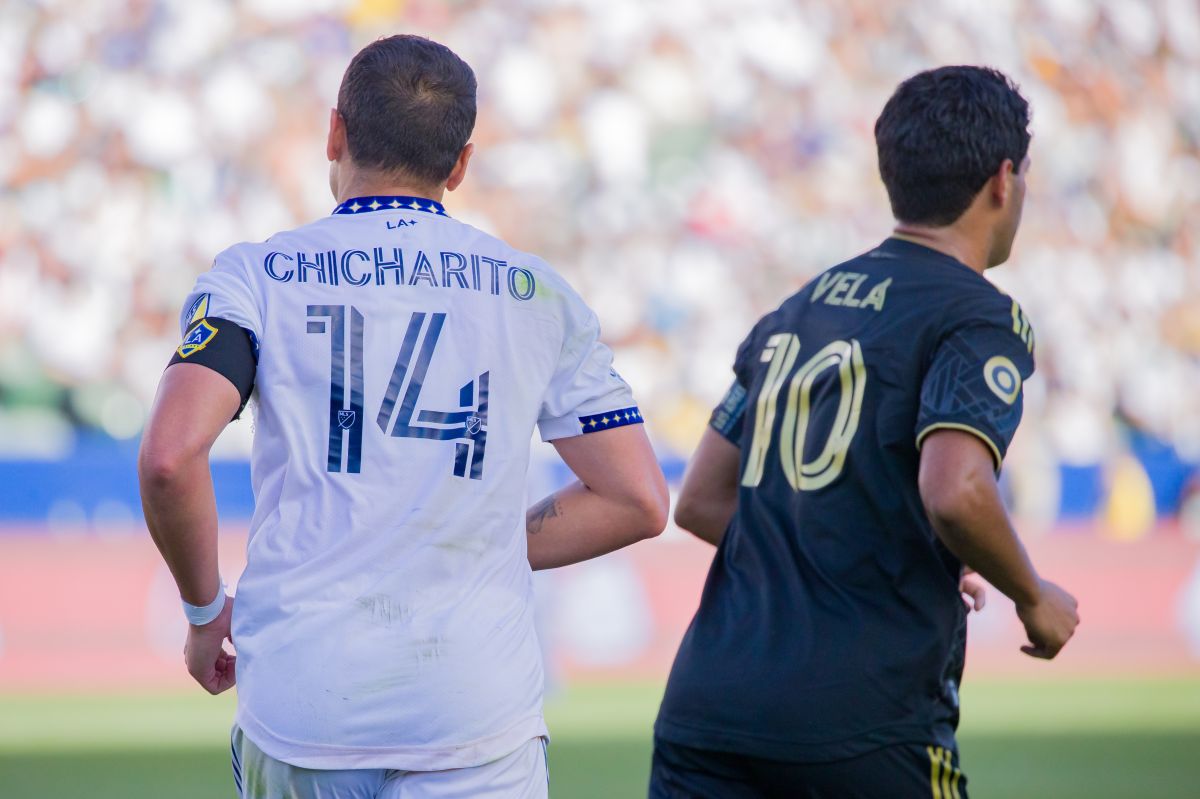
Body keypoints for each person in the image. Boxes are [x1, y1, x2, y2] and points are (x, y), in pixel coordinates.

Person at [138, 34, 668, 799]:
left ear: (334, 133)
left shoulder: (256, 277)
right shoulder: (538, 294)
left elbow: (168, 456)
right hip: (474, 710)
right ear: (459, 165)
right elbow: (639, 499)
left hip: (305, 701)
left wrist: (201, 612)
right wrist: (473, 536)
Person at [650, 65, 1080, 798]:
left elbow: (700, 500)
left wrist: (875, 554)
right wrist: (1032, 592)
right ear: (1003, 180)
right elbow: (955, 490)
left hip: (706, 709)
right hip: (860, 719)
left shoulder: (798, 307)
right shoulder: (978, 315)